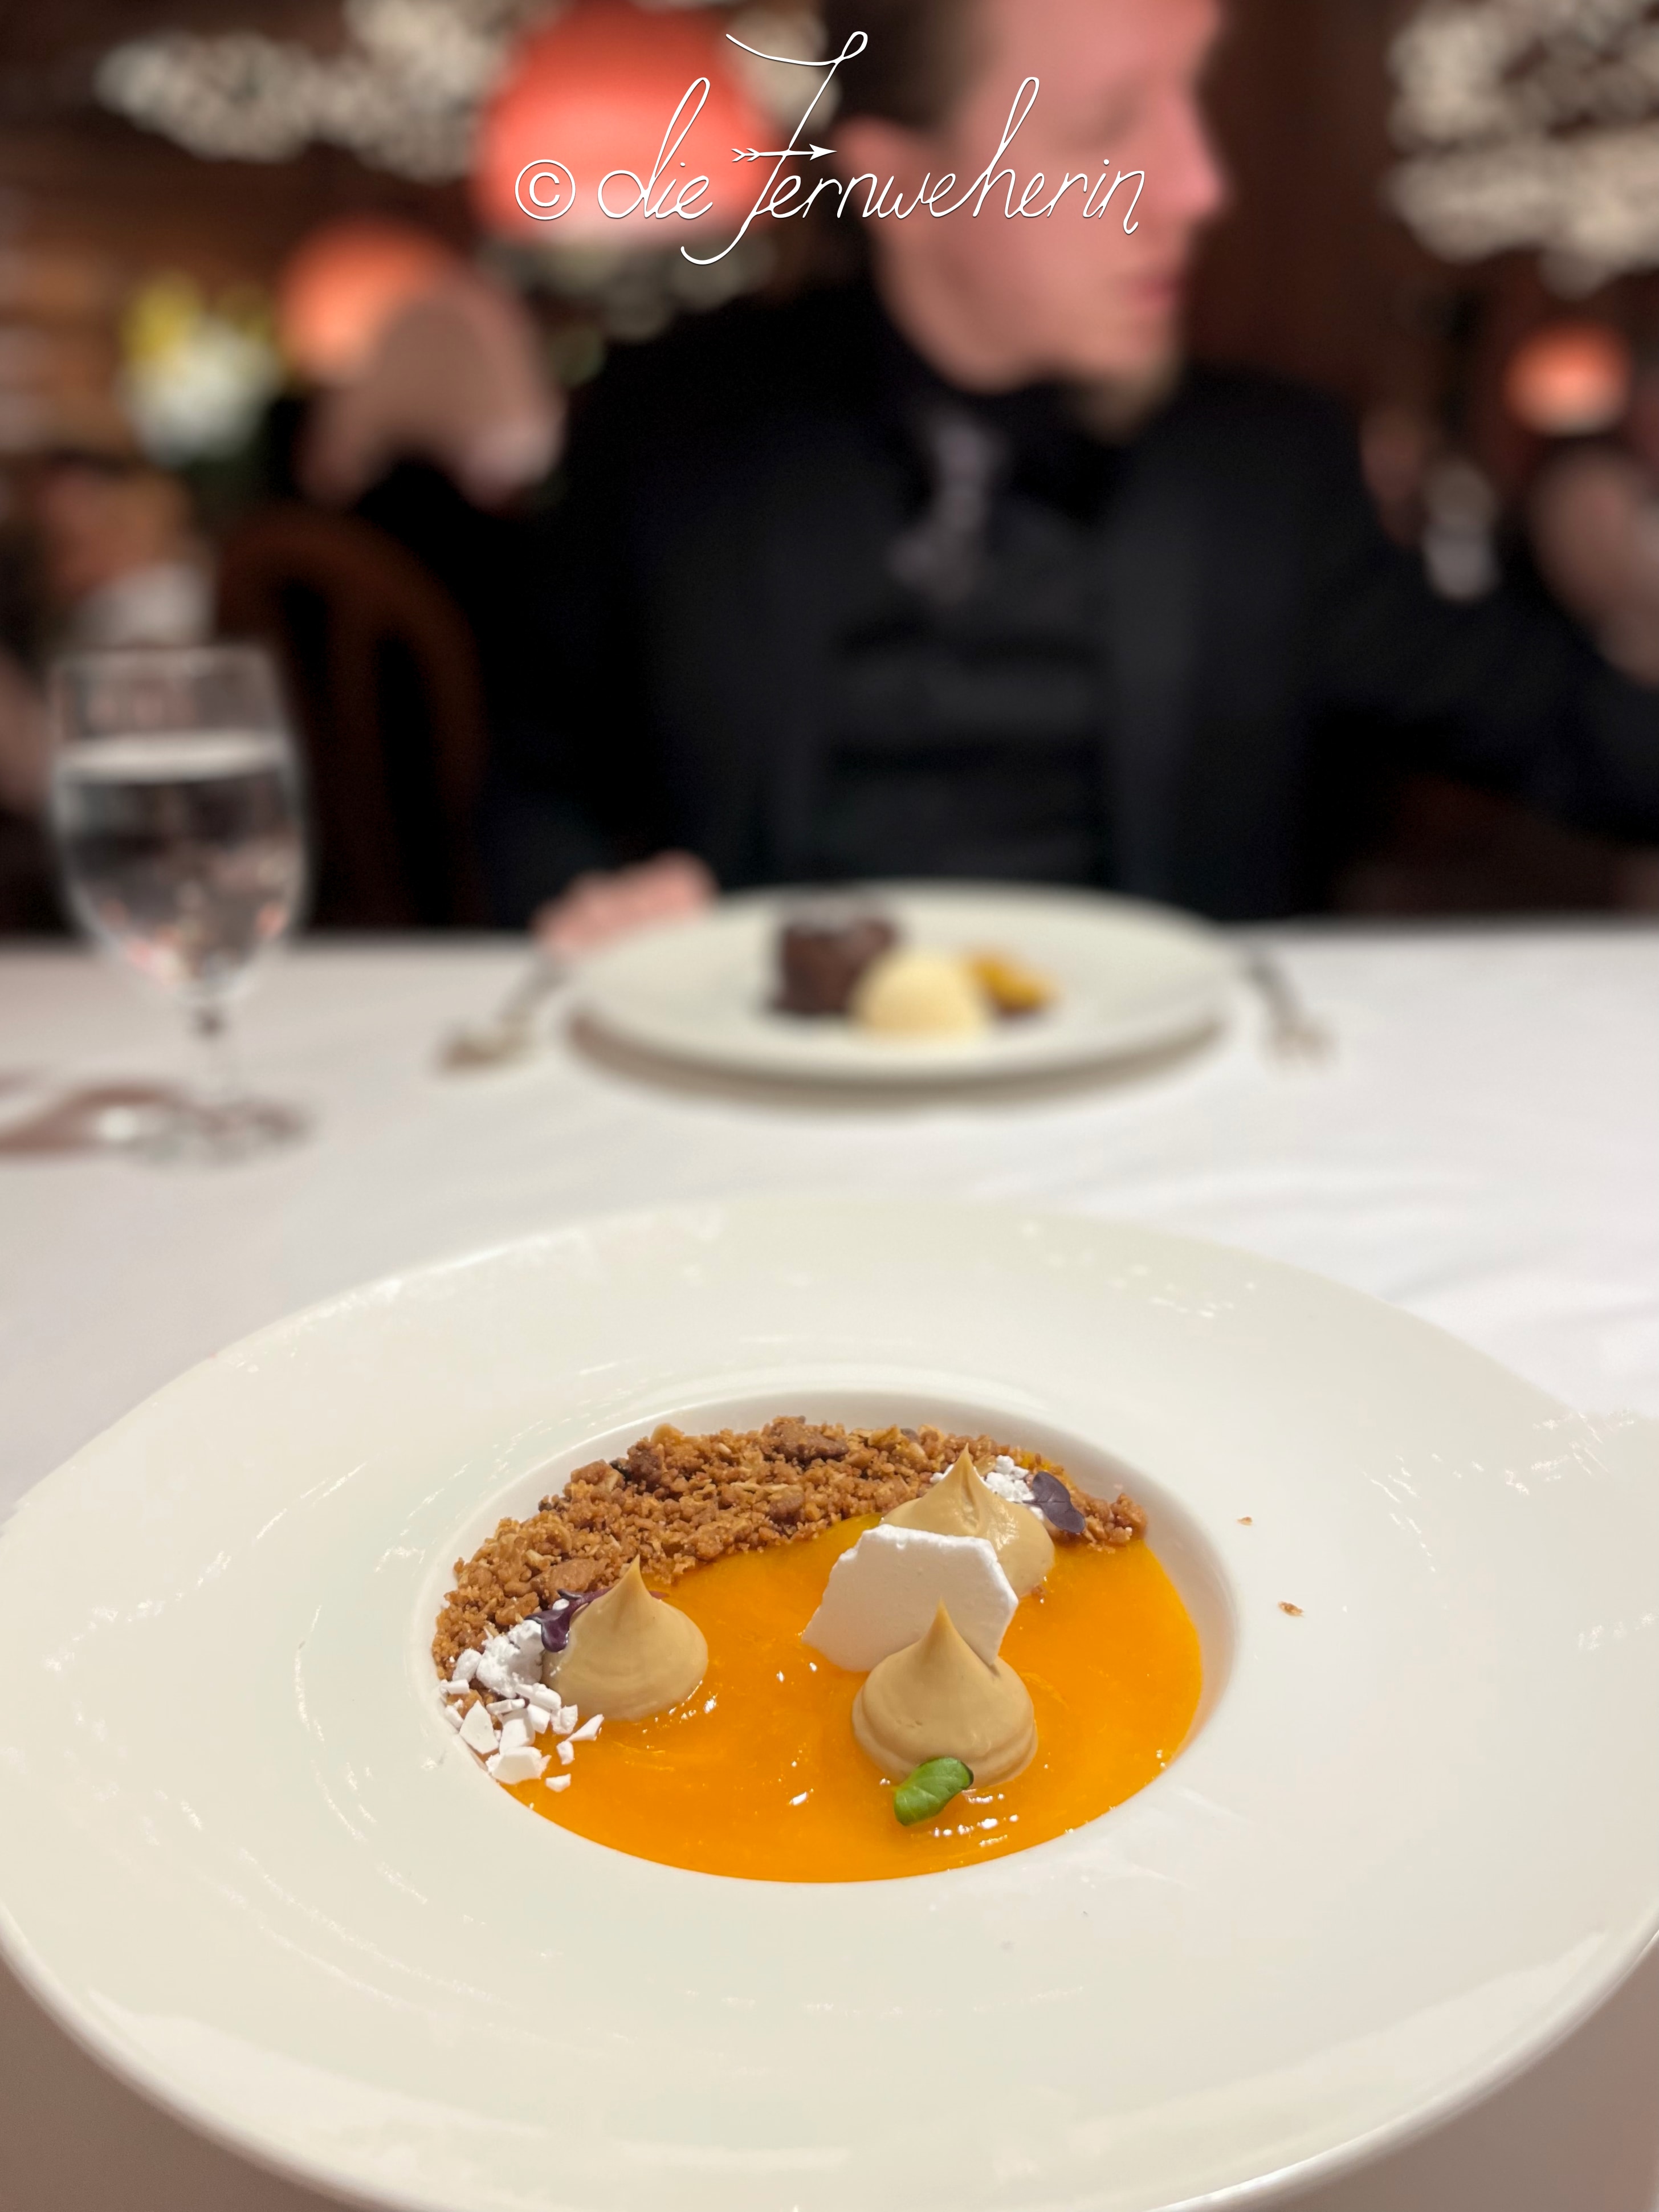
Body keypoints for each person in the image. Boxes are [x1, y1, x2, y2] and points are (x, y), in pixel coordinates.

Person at [492, 0, 1659, 950]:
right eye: (1106, 127)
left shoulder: (1267, 469)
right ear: (901, 184)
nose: (1198, 188)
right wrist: (589, 902)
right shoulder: (675, 433)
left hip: (1146, 1133)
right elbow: (532, 788)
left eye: (1188, 107)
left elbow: (1557, 727)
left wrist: (1586, 517)